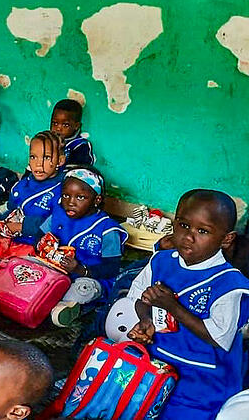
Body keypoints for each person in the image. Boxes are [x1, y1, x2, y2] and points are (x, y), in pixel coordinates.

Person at [127, 189, 249, 420]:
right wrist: (146, 320)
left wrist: (173, 307)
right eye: (183, 225)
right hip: (158, 365)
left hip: (202, 382)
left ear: (226, 239)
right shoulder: (161, 261)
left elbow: (217, 336)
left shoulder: (230, 285)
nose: (189, 236)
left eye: (203, 231)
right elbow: (138, 298)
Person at [21, 168, 127, 326]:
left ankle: (59, 305)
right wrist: (43, 244)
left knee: (85, 290)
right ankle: (48, 301)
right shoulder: (58, 215)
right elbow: (39, 236)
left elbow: (111, 268)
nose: (70, 202)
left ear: (96, 200)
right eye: (66, 195)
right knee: (24, 264)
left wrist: (80, 269)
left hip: (88, 276)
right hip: (53, 269)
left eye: (80, 197)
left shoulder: (107, 229)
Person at [0, 131, 66, 259]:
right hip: (11, 238)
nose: (38, 164)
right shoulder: (23, 184)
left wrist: (20, 227)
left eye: (46, 158)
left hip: (34, 244)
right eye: (33, 157)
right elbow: (12, 210)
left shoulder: (62, 190)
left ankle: (5, 260)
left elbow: (57, 224)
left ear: (60, 160)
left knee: (39, 255)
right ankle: (2, 258)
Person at [50, 99, 95, 167]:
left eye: (65, 125)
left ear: (76, 126)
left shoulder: (81, 145)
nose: (58, 128)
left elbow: (79, 169)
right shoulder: (46, 141)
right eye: (55, 123)